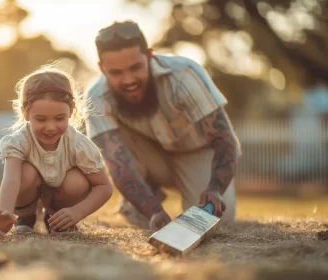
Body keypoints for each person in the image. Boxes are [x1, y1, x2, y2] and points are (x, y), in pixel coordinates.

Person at [84, 20, 242, 231]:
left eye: (135, 67)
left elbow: (225, 139)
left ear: (150, 56)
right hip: (148, 158)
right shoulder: (96, 97)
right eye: (116, 73)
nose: (128, 79)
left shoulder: (184, 74)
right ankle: (144, 197)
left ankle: (156, 197)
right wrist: (154, 211)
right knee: (117, 152)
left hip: (196, 153)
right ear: (102, 69)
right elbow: (117, 165)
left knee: (218, 220)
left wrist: (214, 188)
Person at [0, 64, 113, 237]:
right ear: (26, 113)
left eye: (59, 118)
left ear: (71, 112)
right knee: (25, 172)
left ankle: (57, 218)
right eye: (41, 119)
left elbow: (104, 186)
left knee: (78, 181)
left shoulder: (79, 145)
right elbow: (11, 179)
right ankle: (25, 216)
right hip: (28, 192)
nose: (50, 127)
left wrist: (77, 212)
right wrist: (4, 213)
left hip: (63, 196)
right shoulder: (18, 141)